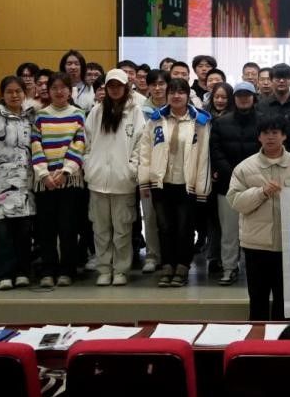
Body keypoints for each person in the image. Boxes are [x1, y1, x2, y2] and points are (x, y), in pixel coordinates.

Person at [228, 116, 290, 321]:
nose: (270, 137)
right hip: (256, 245)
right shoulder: (244, 167)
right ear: (259, 137)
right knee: (258, 301)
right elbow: (236, 202)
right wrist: (262, 192)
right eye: (265, 133)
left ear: (284, 136)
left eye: (275, 133)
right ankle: (257, 339)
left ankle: (282, 340)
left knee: (285, 303)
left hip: (287, 246)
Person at [138, 78, 211, 287]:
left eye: (181, 92)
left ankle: (182, 266)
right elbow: (145, 150)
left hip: (187, 183)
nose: (176, 96)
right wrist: (145, 180)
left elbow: (204, 156)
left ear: (188, 95)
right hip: (161, 183)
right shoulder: (156, 119)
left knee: (184, 228)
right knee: (164, 227)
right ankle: (167, 265)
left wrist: (202, 187)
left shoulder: (200, 121)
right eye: (172, 92)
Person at [84, 69, 146, 286]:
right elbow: (86, 143)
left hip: (123, 181)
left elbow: (141, 144)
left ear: (126, 87)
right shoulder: (96, 112)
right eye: (111, 85)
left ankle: (120, 269)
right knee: (100, 230)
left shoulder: (135, 112)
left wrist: (132, 169)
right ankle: (104, 269)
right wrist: (88, 166)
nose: (115, 89)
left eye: (119, 85)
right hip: (97, 181)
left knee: (122, 230)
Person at [0, 76, 35, 291]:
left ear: (24, 94)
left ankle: (23, 272)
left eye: (18, 91)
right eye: (9, 91)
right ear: (2, 95)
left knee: (24, 231)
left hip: (25, 184)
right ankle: (4, 274)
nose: (14, 95)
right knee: (2, 233)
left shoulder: (31, 118)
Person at [31, 72, 88, 288]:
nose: (59, 91)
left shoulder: (78, 114)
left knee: (68, 228)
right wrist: (44, 174)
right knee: (46, 229)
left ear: (70, 91)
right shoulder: (40, 116)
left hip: (69, 180)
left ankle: (67, 270)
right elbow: (35, 145)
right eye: (54, 88)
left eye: (63, 87)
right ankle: (48, 270)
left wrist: (65, 171)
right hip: (45, 181)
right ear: (48, 91)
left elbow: (79, 144)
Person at [209, 81, 262, 285]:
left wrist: (252, 175)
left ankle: (255, 270)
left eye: (247, 95)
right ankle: (229, 268)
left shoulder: (264, 121)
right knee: (229, 231)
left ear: (253, 97)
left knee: (257, 231)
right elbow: (215, 152)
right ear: (235, 98)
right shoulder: (221, 123)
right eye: (239, 95)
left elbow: (267, 151)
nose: (243, 98)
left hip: (258, 186)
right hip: (227, 185)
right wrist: (234, 175)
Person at [137, 69, 169, 273]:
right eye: (153, 84)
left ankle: (170, 257)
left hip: (172, 173)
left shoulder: (177, 108)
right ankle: (152, 255)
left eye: (161, 84)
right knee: (149, 216)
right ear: (147, 87)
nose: (157, 88)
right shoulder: (140, 111)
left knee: (169, 218)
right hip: (148, 169)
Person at [202, 81, 235, 275]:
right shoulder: (203, 118)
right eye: (217, 97)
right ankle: (214, 256)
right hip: (206, 174)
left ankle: (228, 259)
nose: (220, 100)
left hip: (226, 174)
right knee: (212, 219)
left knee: (228, 222)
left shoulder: (235, 118)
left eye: (224, 97)